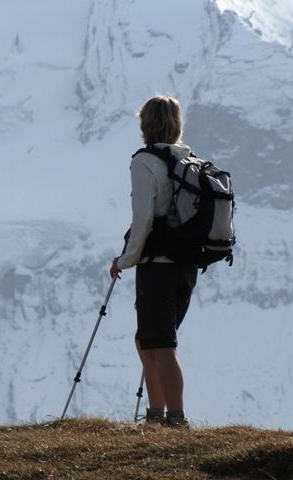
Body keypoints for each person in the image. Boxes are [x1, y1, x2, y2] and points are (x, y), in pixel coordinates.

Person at [110, 95, 197, 428]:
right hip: (186, 265)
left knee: (160, 343)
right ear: (177, 124)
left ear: (145, 124)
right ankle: (157, 415)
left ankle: (173, 419)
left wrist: (126, 258)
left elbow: (143, 217)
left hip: (157, 265)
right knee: (150, 339)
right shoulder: (187, 160)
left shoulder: (144, 162)